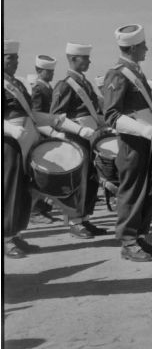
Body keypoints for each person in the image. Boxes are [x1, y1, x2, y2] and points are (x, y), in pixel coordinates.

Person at [3, 40, 85, 258]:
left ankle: (15, 234)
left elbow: (31, 114)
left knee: (23, 191)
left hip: (26, 141)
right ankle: (6, 239)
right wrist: (9, 129)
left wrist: (54, 120)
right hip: (9, 144)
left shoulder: (17, 84)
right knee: (9, 190)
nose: (15, 61)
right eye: (10, 58)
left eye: (16, 57)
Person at [104, 24, 152, 261]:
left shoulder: (136, 73)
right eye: (142, 46)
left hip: (145, 141)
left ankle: (139, 236)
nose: (147, 49)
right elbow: (112, 116)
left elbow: (142, 109)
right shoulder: (118, 74)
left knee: (145, 191)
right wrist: (143, 129)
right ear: (131, 48)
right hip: (132, 143)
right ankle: (128, 242)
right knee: (131, 191)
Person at [51, 43, 108, 239]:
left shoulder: (85, 83)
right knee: (78, 179)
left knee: (90, 179)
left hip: (90, 137)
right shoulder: (65, 85)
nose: (89, 61)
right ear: (73, 59)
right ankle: (74, 222)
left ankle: (84, 218)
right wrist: (78, 129)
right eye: (85, 58)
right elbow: (56, 117)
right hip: (76, 138)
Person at [29, 54, 58, 223]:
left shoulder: (48, 87)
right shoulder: (38, 90)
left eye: (52, 71)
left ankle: (41, 208)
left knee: (48, 176)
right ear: (39, 71)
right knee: (40, 176)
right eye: (48, 71)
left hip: (49, 134)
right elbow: (38, 116)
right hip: (44, 135)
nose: (52, 74)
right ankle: (34, 211)